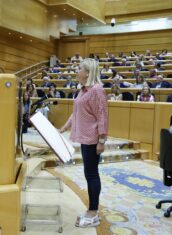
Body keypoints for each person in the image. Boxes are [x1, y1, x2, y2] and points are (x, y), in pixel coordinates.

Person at [60, 58, 108, 227]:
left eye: (79, 68)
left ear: (88, 72)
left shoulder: (97, 90)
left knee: (92, 174)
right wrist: (64, 128)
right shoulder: (83, 90)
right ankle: (92, 208)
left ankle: (93, 212)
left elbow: (102, 116)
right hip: (85, 137)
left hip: (93, 139)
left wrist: (101, 140)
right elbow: (76, 112)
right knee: (89, 174)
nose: (76, 71)